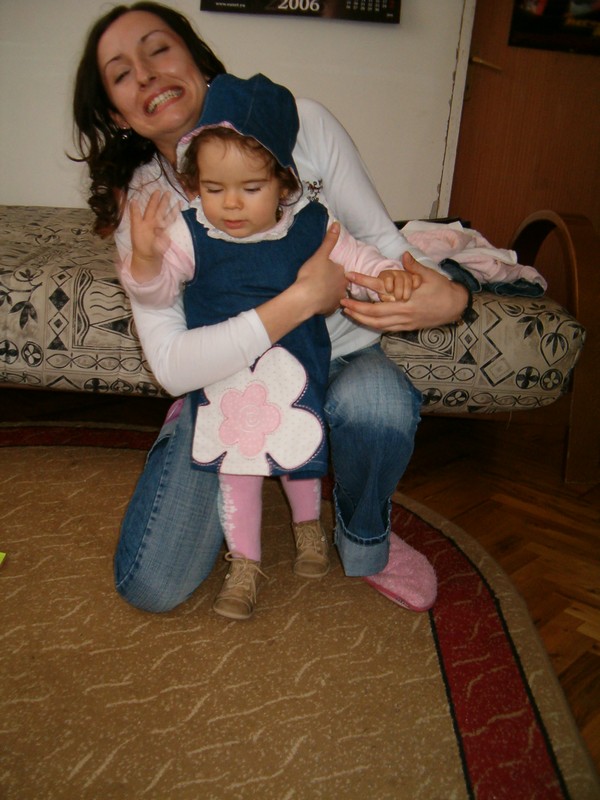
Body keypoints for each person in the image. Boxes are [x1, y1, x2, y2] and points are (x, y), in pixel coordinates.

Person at [73, 2, 471, 616]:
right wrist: (302, 297)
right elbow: (172, 361)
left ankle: (365, 536)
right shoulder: (147, 209)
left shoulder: (300, 123)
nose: (146, 74)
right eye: (122, 73)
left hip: (336, 354)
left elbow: (379, 243)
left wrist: (447, 292)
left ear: (196, 59)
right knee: (153, 585)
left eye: (158, 49)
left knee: (379, 404)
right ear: (116, 113)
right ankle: (204, 437)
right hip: (225, 378)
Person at [123, 72, 420, 620]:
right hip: (228, 384)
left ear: (285, 184)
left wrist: (386, 277)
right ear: (196, 185)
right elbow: (157, 291)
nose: (231, 205)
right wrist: (144, 261)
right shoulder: (191, 232)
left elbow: (359, 261)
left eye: (251, 189)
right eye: (214, 189)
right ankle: (244, 564)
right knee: (237, 470)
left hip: (297, 373)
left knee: (300, 455)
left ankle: (309, 526)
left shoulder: (313, 226)